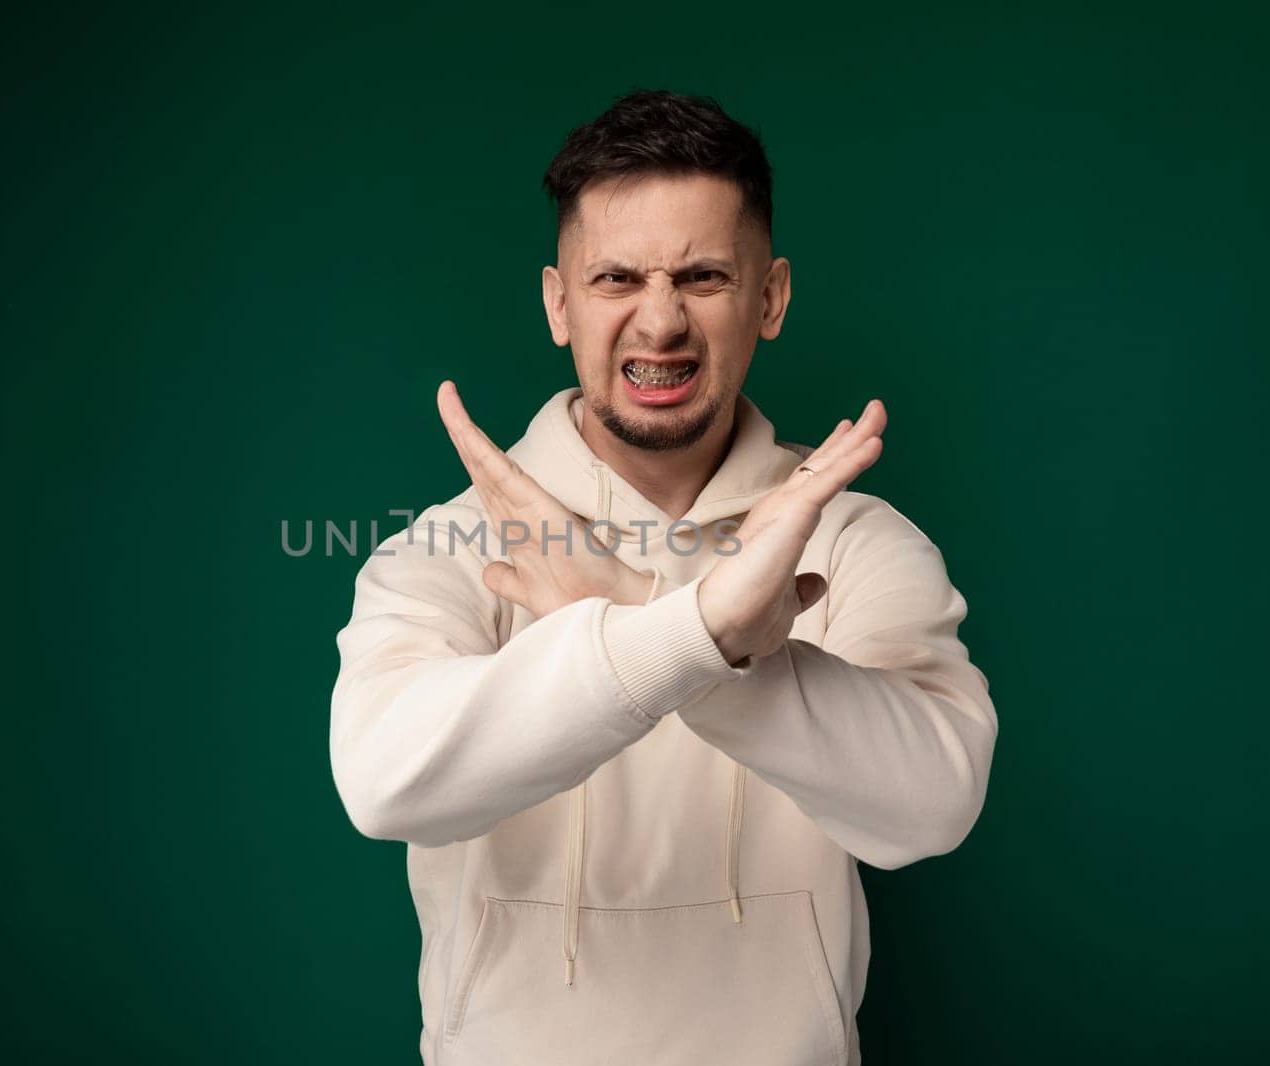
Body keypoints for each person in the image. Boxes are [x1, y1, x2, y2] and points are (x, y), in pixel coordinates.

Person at [329, 88, 997, 1066]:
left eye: (702, 276)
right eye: (615, 278)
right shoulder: (452, 544)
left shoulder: (854, 539)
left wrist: (639, 622)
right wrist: (690, 633)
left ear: (766, 298)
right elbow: (386, 783)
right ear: (560, 303)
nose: (660, 320)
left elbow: (931, 801)